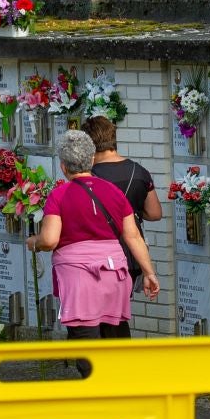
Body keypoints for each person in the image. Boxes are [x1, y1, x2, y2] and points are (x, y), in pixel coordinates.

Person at [26, 130, 159, 344]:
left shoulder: (59, 195)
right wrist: (149, 272)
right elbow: (133, 236)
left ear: (63, 167)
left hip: (79, 279)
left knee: (86, 341)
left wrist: (34, 243)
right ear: (91, 160)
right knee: (116, 338)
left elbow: (49, 240)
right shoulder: (113, 191)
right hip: (114, 274)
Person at [83, 116, 161, 289]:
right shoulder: (139, 171)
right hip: (133, 253)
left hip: (100, 253)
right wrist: (131, 212)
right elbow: (154, 213)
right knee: (122, 302)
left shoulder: (88, 177)